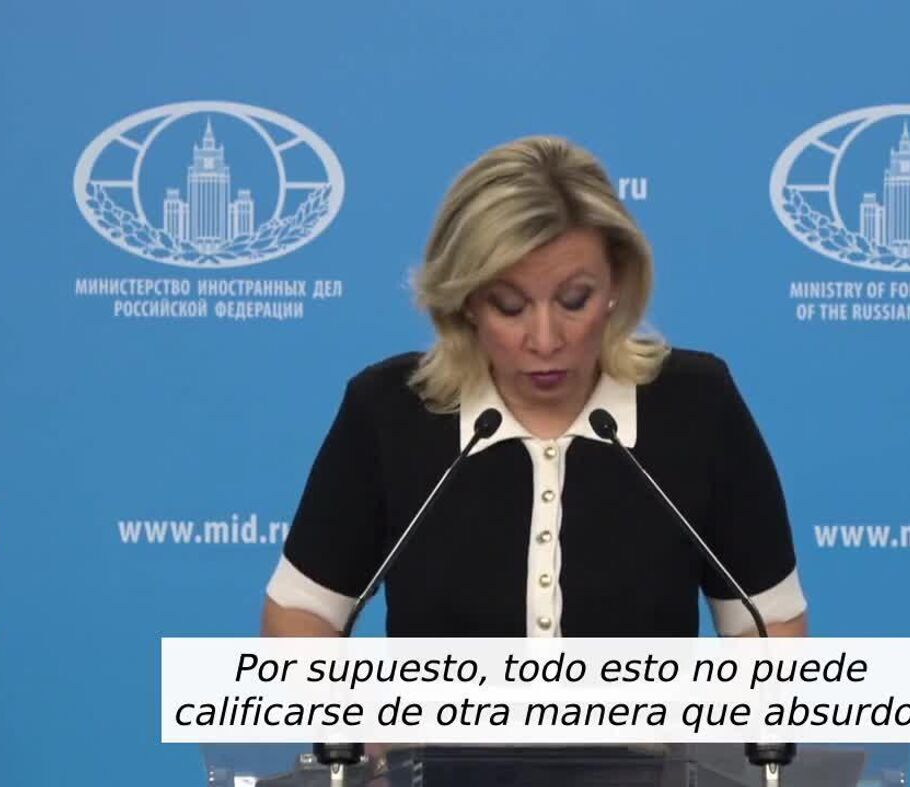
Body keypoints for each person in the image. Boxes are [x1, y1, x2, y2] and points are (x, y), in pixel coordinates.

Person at [262, 136, 806, 639]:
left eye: (574, 300)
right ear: (466, 301)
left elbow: (769, 624)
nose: (545, 340)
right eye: (509, 305)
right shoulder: (389, 411)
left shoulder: (698, 406)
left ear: (617, 283)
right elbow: (301, 612)